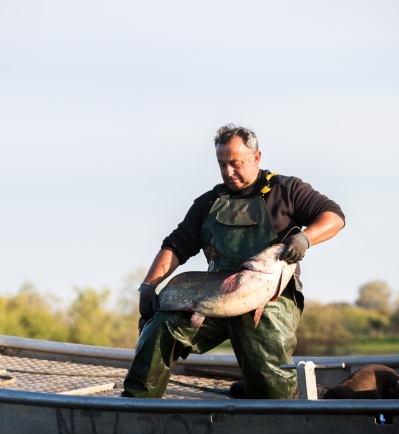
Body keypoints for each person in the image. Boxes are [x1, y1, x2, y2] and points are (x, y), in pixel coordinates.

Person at [122, 125, 345, 399]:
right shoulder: (209, 202)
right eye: (222, 164)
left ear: (257, 157)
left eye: (235, 163)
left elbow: (334, 216)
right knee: (160, 327)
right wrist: (148, 285)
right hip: (213, 298)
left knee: (269, 377)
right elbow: (176, 246)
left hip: (271, 301)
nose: (228, 171)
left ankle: (277, 412)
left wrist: (304, 238)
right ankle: (135, 406)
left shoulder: (286, 190)